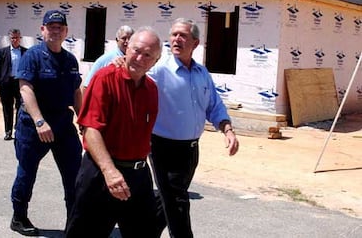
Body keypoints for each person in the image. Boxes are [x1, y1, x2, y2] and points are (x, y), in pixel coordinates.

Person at [65, 27, 162, 238]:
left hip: (138, 177)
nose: (139, 58)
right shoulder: (105, 78)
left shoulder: (152, 90)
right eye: (136, 50)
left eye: (148, 55)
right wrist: (110, 172)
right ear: (126, 48)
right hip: (101, 175)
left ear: (156, 60)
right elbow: (91, 129)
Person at [148, 18, 240, 237]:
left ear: (195, 43)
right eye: (174, 34)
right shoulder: (158, 70)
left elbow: (214, 105)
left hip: (190, 150)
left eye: (183, 35)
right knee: (177, 201)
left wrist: (227, 129)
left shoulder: (202, 73)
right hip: (163, 147)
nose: (177, 39)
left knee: (167, 200)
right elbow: (134, 85)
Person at [10, 10, 83, 236]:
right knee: (26, 172)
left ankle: (75, 221)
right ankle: (19, 217)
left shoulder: (70, 60)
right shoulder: (32, 55)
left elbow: (76, 90)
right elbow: (25, 88)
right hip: (34, 126)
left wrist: (83, 118)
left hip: (62, 123)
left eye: (60, 27)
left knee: (74, 174)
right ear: (43, 30)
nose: (55, 30)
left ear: (66, 32)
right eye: (51, 26)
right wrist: (39, 121)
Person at [0, 29, 27, 140]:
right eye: (13, 37)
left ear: (20, 38)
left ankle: (18, 129)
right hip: (6, 84)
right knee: (7, 109)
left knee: (20, 107)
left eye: (17, 37)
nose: (15, 40)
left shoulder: (26, 52)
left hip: (20, 83)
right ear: (10, 38)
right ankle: (8, 131)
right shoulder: (3, 52)